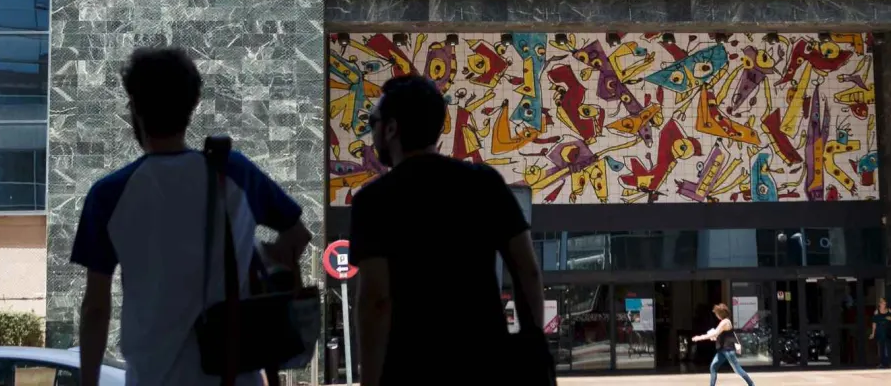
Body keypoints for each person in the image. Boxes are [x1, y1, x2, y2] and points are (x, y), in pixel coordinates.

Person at [71, 47, 312, 386]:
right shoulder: (233, 172)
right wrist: (259, 254)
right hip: (234, 376)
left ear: (135, 108)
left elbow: (96, 308)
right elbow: (298, 236)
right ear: (192, 105)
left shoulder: (108, 195)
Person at [350, 74, 544, 386]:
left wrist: (370, 381)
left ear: (391, 128)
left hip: (410, 370)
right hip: (485, 366)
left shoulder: (373, 201)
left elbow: (376, 300)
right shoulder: (484, 183)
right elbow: (528, 271)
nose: (372, 131)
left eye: (373, 122)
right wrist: (533, 347)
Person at [692, 304, 755, 386]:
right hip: (722, 350)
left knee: (738, 369)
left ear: (720, 314)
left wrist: (699, 337)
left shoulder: (725, 322)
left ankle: (751, 384)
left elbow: (715, 333)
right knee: (713, 366)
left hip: (728, 350)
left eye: (717, 314)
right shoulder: (724, 322)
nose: (716, 315)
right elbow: (718, 334)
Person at [870, 297, 891, 367]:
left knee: (889, 347)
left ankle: (890, 362)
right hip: (880, 331)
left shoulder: (889, 311)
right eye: (882, 303)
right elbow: (874, 323)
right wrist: (873, 333)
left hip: (888, 331)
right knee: (881, 347)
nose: (884, 305)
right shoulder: (876, 312)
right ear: (880, 304)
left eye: (885, 303)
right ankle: (882, 363)